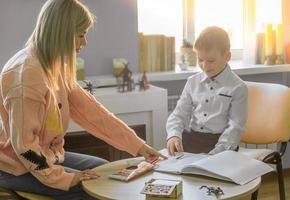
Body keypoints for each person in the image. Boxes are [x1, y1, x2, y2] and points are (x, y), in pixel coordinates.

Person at [0, 0, 163, 199]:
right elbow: (25, 149)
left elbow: (94, 114)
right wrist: (65, 179)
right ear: (62, 33)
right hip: (14, 167)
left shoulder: (53, 66)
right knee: (94, 187)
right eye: (81, 35)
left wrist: (139, 146)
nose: (84, 42)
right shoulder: (27, 75)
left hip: (48, 155)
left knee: (104, 170)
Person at [166, 26, 248, 156]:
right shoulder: (192, 82)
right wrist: (173, 135)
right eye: (200, 60)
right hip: (193, 139)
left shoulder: (238, 87)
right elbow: (179, 114)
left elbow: (235, 128)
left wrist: (214, 154)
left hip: (221, 144)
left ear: (227, 56)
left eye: (211, 61)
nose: (205, 66)